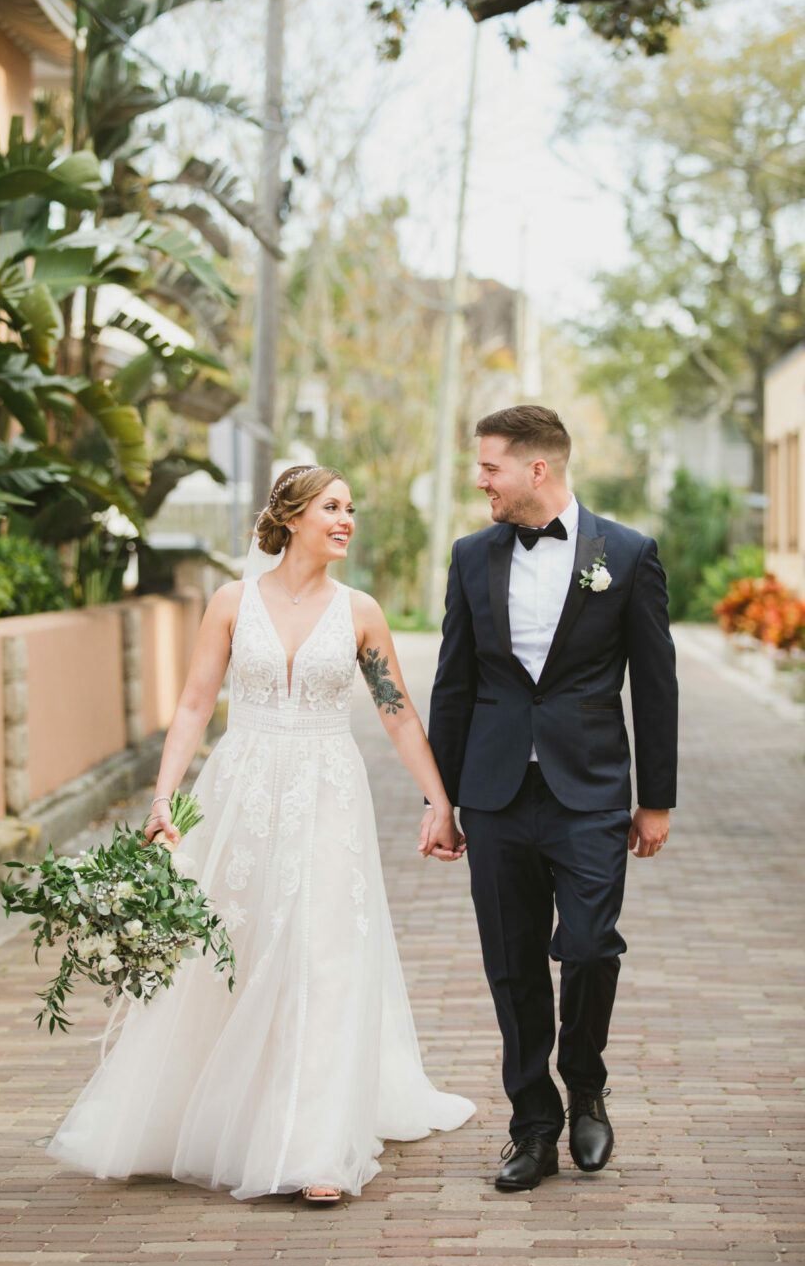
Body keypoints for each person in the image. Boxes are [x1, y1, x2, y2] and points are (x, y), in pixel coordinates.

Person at [48, 465, 475, 1203]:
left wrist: (439, 800)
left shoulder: (361, 611)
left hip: (327, 794)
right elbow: (191, 706)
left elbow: (398, 712)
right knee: (228, 954)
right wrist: (163, 800)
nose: (347, 520)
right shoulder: (230, 602)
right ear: (292, 516)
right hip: (239, 791)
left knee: (321, 953)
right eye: (333, 507)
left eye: (351, 509)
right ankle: (207, 1117)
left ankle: (314, 1151)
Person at [423, 406, 678, 1193]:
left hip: (592, 789)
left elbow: (656, 682)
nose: (480, 480)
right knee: (512, 960)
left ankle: (587, 1084)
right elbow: (454, 683)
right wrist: (442, 798)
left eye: (491, 466)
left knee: (592, 945)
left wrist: (657, 800)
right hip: (496, 793)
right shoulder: (471, 557)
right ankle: (532, 1123)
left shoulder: (626, 554)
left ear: (539, 470)